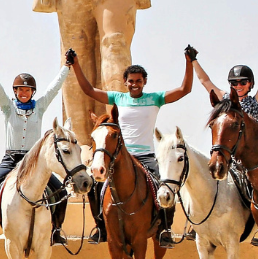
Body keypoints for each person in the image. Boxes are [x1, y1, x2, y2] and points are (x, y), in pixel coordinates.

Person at [72, 46, 194, 247]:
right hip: (120, 156)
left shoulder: (155, 98)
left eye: (138, 81)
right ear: (125, 82)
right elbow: (89, 90)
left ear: (144, 82)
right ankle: (101, 228)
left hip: (146, 156)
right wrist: (76, 64)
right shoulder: (118, 98)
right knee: (95, 185)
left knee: (167, 187)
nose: (134, 84)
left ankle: (165, 229)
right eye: (131, 81)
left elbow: (184, 90)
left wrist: (189, 62)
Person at [0, 49, 71, 249]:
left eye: (27, 90)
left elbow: (54, 89)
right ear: (15, 92)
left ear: (32, 92)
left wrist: (67, 67)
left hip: (33, 160)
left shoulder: (39, 107)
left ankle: (56, 230)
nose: (23, 93)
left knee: (60, 192)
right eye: (20, 90)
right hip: (11, 159)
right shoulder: (8, 108)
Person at [192, 44, 258, 121]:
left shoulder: (255, 104)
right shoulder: (225, 99)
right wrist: (193, 60)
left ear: (250, 83)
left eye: (243, 82)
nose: (238, 86)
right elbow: (205, 81)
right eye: (234, 83)